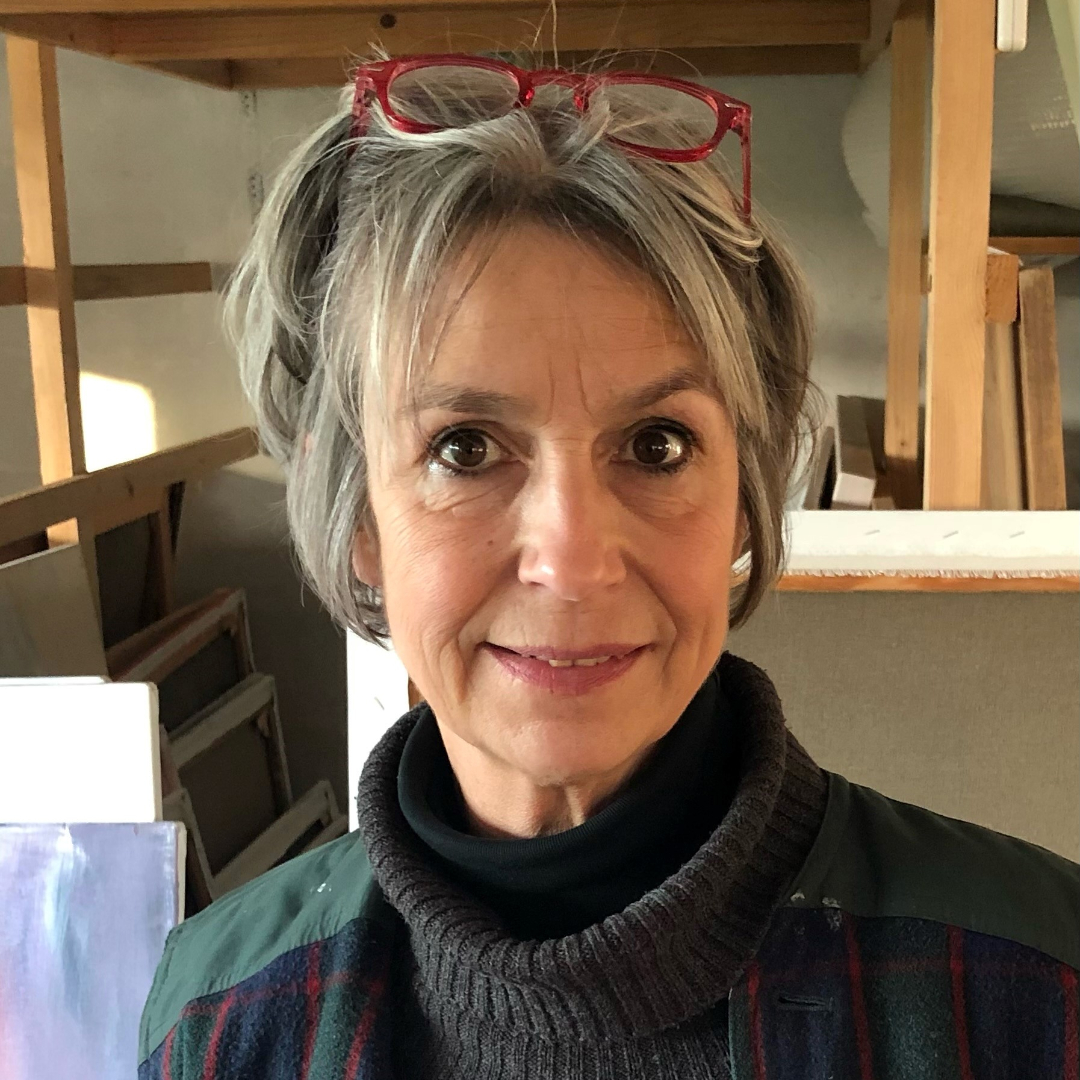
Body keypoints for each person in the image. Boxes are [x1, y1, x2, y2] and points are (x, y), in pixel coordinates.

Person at [138, 51, 1079, 1080]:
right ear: (357, 508)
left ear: (745, 493)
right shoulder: (220, 1021)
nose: (572, 563)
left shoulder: (1034, 988)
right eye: (464, 448)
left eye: (656, 445)